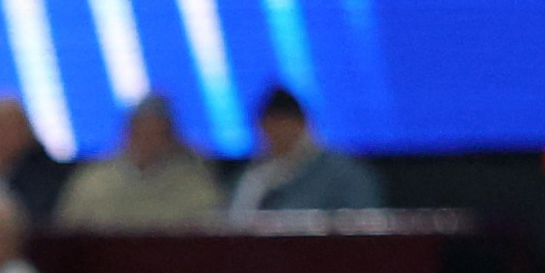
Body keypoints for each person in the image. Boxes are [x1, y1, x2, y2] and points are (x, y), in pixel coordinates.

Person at [56, 95, 222, 229]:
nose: (149, 142)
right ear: (128, 134)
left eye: (158, 134)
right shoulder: (94, 181)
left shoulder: (193, 183)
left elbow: (207, 227)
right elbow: (69, 229)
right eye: (142, 132)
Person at [227, 88, 382, 221]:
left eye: (281, 123)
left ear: (301, 124)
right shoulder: (250, 176)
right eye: (267, 125)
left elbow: (364, 223)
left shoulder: (343, 174)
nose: (273, 132)